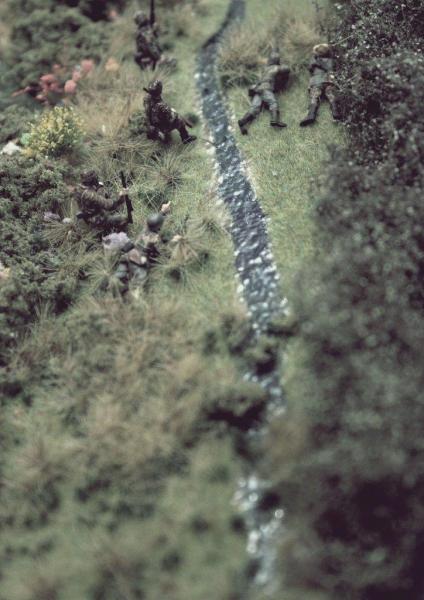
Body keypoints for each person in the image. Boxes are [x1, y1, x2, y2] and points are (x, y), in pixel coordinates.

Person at [115, 203, 171, 291]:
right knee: (139, 282)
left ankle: (115, 284)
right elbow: (164, 253)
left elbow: (153, 221)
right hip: (139, 262)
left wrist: (162, 211)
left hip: (129, 255)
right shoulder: (155, 239)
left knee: (118, 276)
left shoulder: (145, 229)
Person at [238, 51, 290, 135]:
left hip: (258, 89)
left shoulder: (265, 69)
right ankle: (275, 120)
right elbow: (287, 69)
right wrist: (280, 66)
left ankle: (242, 122)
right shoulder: (275, 67)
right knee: (272, 102)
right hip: (266, 88)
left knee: (255, 108)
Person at [299, 43, 341, 126]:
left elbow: (310, 70)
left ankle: (311, 115)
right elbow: (331, 69)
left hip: (316, 82)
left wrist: (315, 60)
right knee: (331, 95)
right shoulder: (331, 60)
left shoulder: (314, 61)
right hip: (329, 81)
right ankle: (336, 113)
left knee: (314, 96)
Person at [143, 80, 196, 144]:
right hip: (157, 127)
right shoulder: (156, 103)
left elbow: (148, 113)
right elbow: (167, 118)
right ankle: (185, 137)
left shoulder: (148, 98)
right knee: (179, 120)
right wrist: (173, 114)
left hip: (154, 123)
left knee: (175, 117)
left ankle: (169, 138)